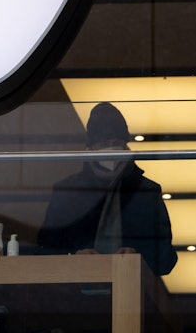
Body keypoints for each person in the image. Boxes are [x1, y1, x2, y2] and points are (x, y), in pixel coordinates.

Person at [37, 102, 177, 276]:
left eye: (116, 142)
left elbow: (165, 259)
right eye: (103, 143)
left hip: (130, 288)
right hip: (75, 290)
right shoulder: (68, 191)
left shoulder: (146, 192)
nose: (110, 148)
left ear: (126, 145)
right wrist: (73, 256)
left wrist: (138, 257)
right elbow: (44, 249)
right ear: (91, 147)